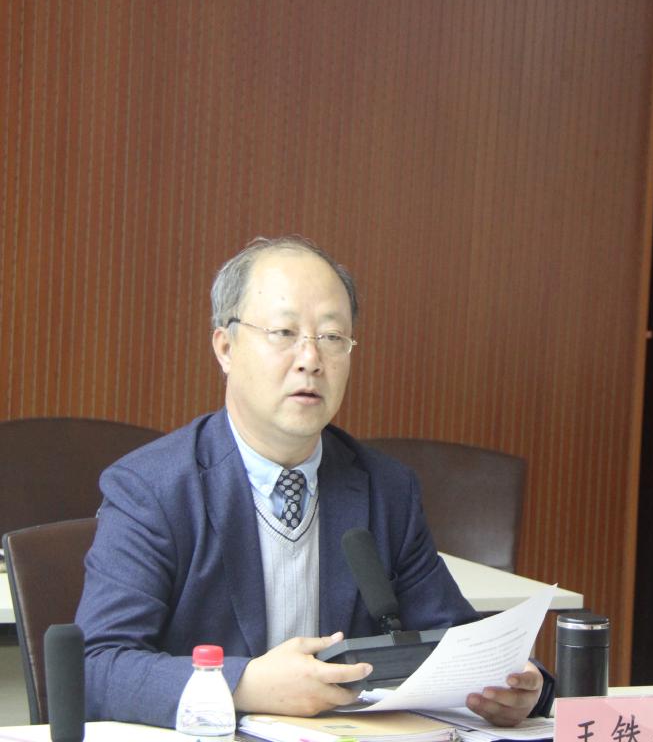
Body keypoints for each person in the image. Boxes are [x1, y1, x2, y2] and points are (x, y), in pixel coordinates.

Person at [75, 236, 553, 728]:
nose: (310, 359)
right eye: (284, 332)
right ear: (226, 348)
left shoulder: (386, 489)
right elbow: (93, 667)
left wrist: (517, 685)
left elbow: (454, 641)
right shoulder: (152, 488)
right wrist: (243, 684)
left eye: (332, 337)